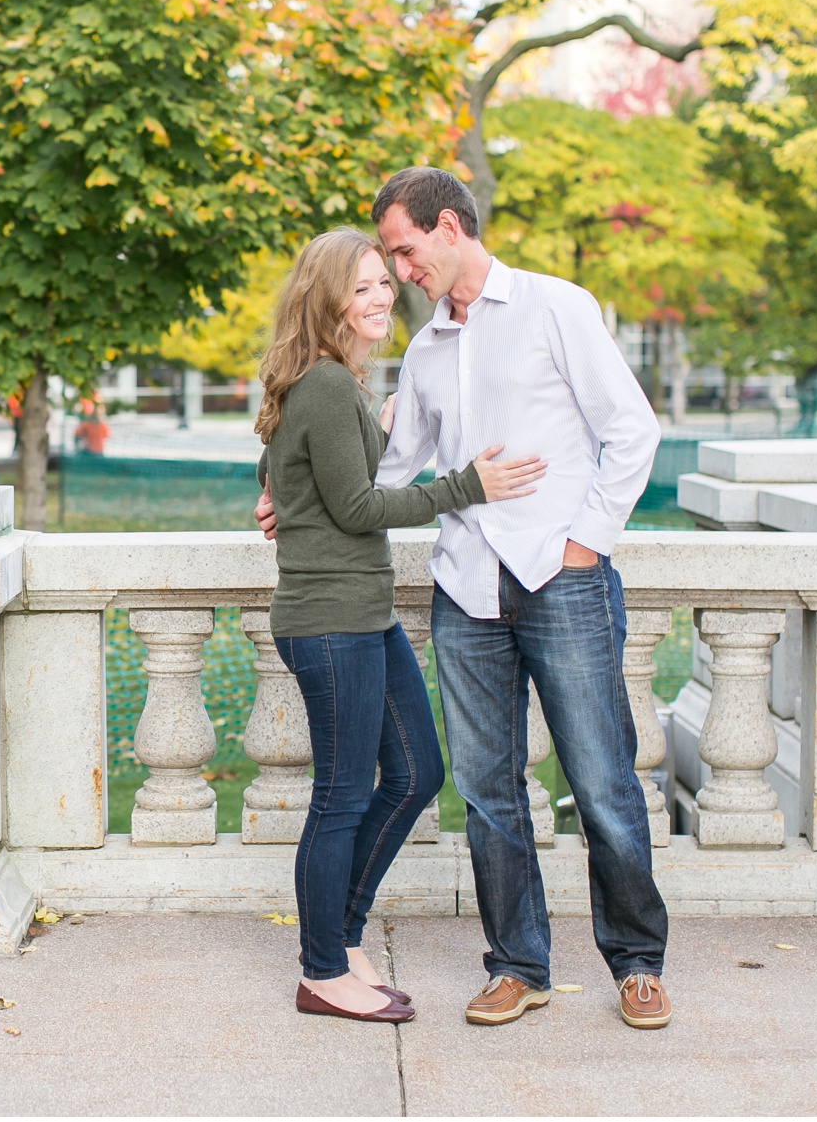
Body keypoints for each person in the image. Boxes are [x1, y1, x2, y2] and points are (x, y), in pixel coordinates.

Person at [258, 166, 671, 1031]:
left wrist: (587, 541)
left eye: (405, 252)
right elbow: (386, 469)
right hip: (467, 593)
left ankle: (637, 961)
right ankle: (518, 965)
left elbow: (632, 430)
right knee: (489, 793)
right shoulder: (426, 351)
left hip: (563, 583)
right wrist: (282, 487)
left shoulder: (559, 307)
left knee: (602, 781)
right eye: (388, 262)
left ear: (450, 227)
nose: (401, 271)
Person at [254, 227, 545, 1024]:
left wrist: (362, 433)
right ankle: (322, 968)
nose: (383, 295)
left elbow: (309, 463)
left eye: (386, 281)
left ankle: (341, 936)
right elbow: (357, 507)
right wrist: (467, 485)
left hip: (363, 615)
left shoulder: (329, 384)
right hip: (330, 620)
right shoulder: (324, 385)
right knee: (341, 797)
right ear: (328, 300)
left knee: (417, 772)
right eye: (364, 286)